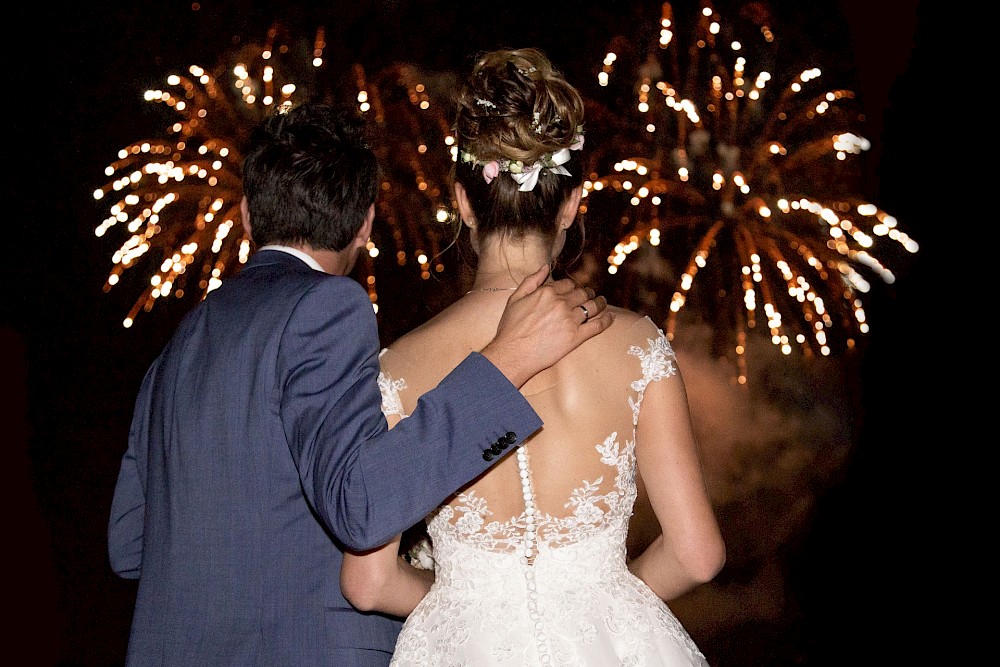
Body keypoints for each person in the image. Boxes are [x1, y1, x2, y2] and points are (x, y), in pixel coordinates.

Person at [107, 101, 612, 666]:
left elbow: (129, 544)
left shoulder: (180, 346)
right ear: (367, 223)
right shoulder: (325, 305)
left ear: (248, 215)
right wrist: (508, 361)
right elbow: (361, 503)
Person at [340, 48, 726, 666]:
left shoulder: (396, 369)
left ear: (463, 205)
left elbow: (368, 583)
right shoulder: (637, 348)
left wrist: (475, 610)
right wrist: (596, 610)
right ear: (571, 204)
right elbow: (698, 554)